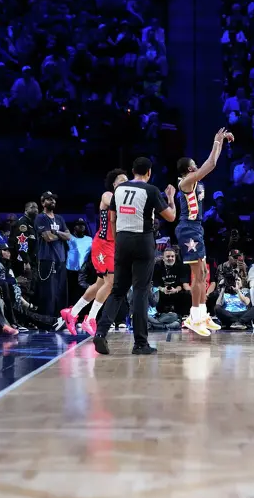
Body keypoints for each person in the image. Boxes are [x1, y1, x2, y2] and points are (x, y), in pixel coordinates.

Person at [93, 157, 177, 355]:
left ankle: (100, 333)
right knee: (140, 291)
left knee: (117, 291)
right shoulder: (151, 190)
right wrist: (171, 199)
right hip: (143, 242)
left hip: (121, 241)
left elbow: (112, 218)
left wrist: (119, 239)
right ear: (149, 173)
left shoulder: (119, 190)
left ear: (132, 171)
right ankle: (140, 343)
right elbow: (171, 217)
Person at [176, 128, 234, 336]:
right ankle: (194, 317)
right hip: (188, 228)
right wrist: (217, 141)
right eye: (194, 164)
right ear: (189, 169)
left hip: (196, 228)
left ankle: (201, 314)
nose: (197, 166)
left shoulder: (193, 180)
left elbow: (212, 163)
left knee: (203, 273)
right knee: (197, 275)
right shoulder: (186, 182)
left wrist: (220, 144)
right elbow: (211, 164)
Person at [62, 169, 128, 336]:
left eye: (127, 182)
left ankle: (73, 312)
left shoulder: (126, 203)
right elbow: (113, 203)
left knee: (99, 284)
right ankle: (90, 319)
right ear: (114, 184)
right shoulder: (108, 195)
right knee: (111, 282)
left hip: (114, 245)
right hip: (103, 243)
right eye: (121, 181)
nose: (124, 184)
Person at [34, 191, 71, 317]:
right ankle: (48, 319)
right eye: (49, 199)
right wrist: (60, 234)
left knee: (60, 291)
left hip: (60, 259)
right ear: (43, 202)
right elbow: (48, 237)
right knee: (48, 292)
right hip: (47, 259)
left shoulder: (59, 218)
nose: (53, 201)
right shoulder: (40, 218)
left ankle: (60, 318)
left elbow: (69, 236)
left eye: (54, 199)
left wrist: (57, 232)